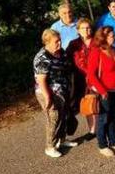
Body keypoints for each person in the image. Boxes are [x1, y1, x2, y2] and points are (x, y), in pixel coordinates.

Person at [33, 29, 75, 158]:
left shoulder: (60, 52)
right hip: (47, 91)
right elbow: (41, 80)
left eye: (60, 40)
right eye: (56, 41)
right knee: (54, 117)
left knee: (63, 116)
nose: (59, 43)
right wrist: (48, 97)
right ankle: (49, 146)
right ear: (47, 42)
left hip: (62, 89)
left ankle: (61, 140)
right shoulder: (42, 57)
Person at [87, 26, 115, 157]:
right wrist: (103, 91)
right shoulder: (96, 52)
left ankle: (114, 142)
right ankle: (102, 145)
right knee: (103, 119)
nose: (114, 38)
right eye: (111, 36)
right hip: (104, 92)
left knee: (113, 118)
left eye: (114, 35)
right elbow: (91, 75)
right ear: (103, 38)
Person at [66, 17, 95, 136]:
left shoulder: (97, 41)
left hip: (97, 77)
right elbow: (66, 60)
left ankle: (105, 127)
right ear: (78, 30)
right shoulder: (73, 44)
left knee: (101, 104)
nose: (87, 30)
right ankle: (92, 130)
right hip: (81, 80)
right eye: (83, 28)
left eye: (88, 28)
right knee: (88, 105)